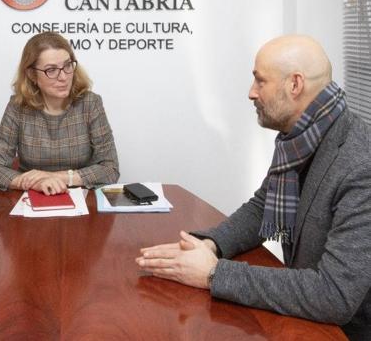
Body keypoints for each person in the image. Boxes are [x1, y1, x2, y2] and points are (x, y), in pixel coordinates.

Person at [135, 35, 371, 339]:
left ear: (294, 85)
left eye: (260, 82)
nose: (251, 93)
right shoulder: (301, 138)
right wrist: (211, 245)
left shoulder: (360, 164)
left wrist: (212, 273)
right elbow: (263, 206)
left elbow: (334, 294)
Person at [0, 32, 119, 194]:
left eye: (68, 65)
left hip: (81, 198)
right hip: (32, 197)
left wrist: (56, 177)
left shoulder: (90, 103)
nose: (63, 77)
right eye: (51, 70)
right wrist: (35, 183)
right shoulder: (18, 107)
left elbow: (110, 168)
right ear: (32, 74)